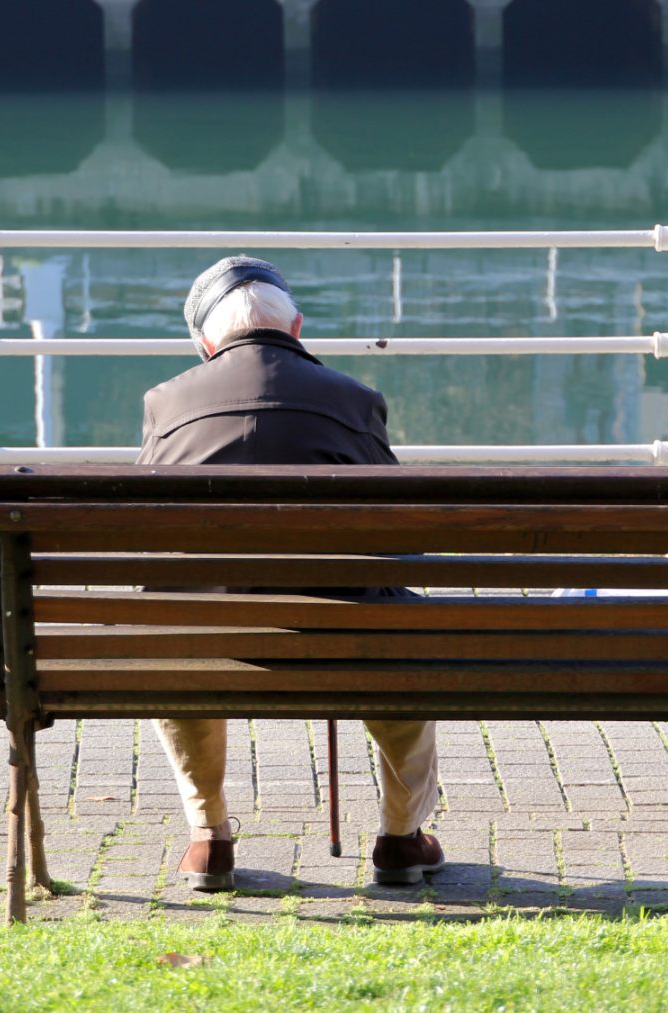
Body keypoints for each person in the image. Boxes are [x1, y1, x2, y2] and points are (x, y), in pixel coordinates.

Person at [138, 255, 444, 891]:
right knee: (398, 636)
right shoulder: (355, 400)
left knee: (180, 629)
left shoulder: (164, 402)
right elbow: (399, 534)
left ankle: (209, 838)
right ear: (297, 327)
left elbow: (152, 536)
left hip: (209, 638)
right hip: (340, 629)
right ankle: (400, 836)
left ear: (204, 342)